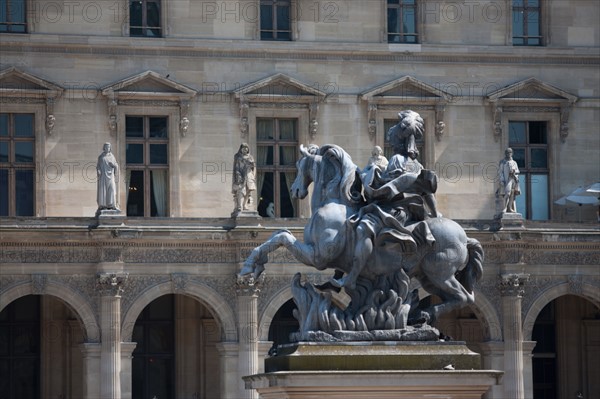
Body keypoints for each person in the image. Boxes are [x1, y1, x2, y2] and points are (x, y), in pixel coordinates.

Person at [232, 143, 256, 214]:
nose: (245, 149)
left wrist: (253, 176)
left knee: (248, 190)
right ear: (241, 149)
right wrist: (237, 175)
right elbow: (236, 167)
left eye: (246, 148)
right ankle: (239, 206)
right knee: (241, 190)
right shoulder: (237, 157)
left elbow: (254, 168)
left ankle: (244, 204)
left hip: (249, 175)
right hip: (240, 175)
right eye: (244, 147)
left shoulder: (251, 157)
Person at [497, 147, 520, 214]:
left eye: (510, 152)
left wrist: (514, 172)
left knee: (512, 194)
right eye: (507, 152)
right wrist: (501, 180)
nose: (508, 154)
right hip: (506, 180)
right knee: (507, 193)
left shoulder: (514, 162)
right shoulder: (503, 162)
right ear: (505, 153)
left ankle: (510, 208)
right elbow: (500, 172)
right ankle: (505, 208)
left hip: (513, 179)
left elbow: (518, 171)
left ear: (512, 153)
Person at [96, 142, 119, 211]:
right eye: (106, 147)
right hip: (103, 176)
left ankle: (111, 205)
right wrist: (98, 170)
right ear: (104, 148)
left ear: (110, 148)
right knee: (103, 190)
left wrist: (114, 166)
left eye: (108, 147)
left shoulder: (112, 156)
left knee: (111, 189)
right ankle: (103, 205)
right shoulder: (101, 157)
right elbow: (98, 166)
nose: (107, 148)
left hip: (111, 175)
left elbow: (116, 165)